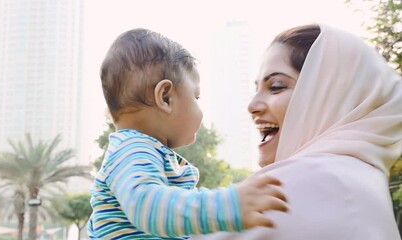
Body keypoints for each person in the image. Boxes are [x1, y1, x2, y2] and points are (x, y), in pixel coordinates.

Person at [192, 23, 402, 239]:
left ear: (328, 95)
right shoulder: (362, 178)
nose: (253, 105)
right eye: (258, 89)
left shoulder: (315, 179)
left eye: (276, 86)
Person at [87, 28, 289, 239]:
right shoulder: (132, 149)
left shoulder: (140, 152)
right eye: (196, 96)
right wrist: (229, 205)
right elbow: (146, 207)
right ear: (165, 98)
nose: (200, 108)